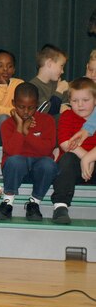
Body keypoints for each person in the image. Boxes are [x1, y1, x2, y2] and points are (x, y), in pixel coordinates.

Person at [0, 82, 58, 221]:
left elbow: (46, 150)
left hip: (38, 170)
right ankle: (8, 202)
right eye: (21, 107)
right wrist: (19, 127)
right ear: (13, 103)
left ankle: (34, 203)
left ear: (37, 104)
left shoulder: (48, 120)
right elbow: (12, 151)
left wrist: (26, 132)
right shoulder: (8, 124)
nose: (26, 112)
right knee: (15, 160)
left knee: (49, 164)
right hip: (15, 170)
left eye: (31, 108)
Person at [52, 78, 96, 224]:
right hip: (75, 168)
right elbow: (65, 143)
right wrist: (85, 158)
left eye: (85, 100)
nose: (80, 104)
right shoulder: (67, 116)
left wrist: (90, 159)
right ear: (69, 101)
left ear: (95, 100)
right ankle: (60, 206)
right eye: (75, 100)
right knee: (67, 159)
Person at [29, 44, 69, 115]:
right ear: (49, 63)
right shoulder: (32, 87)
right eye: (61, 66)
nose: (63, 71)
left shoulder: (58, 84)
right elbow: (48, 114)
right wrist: (59, 91)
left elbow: (67, 106)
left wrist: (66, 107)